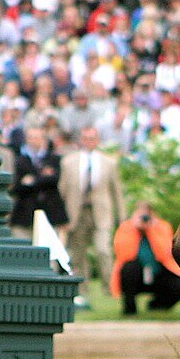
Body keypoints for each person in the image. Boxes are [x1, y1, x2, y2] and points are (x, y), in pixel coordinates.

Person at [58, 125, 124, 293]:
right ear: (81, 139)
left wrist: (122, 217)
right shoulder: (68, 162)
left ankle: (109, 287)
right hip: (76, 212)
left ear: (98, 140)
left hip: (101, 212)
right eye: (86, 138)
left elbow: (117, 192)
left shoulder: (109, 162)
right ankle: (81, 288)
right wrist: (60, 217)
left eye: (92, 138)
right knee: (78, 252)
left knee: (103, 250)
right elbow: (62, 190)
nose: (89, 141)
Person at [111, 201, 180, 315]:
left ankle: (158, 305)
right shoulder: (126, 227)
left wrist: (151, 230)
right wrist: (135, 228)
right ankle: (130, 309)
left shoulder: (162, 227)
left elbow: (165, 253)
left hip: (159, 273)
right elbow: (124, 254)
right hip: (135, 276)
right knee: (129, 268)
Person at [9, 124, 66, 242]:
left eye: (37, 137)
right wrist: (42, 177)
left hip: (50, 213)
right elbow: (17, 186)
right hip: (25, 214)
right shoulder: (20, 160)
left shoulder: (53, 159)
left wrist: (32, 180)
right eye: (31, 137)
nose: (34, 141)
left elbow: (53, 180)